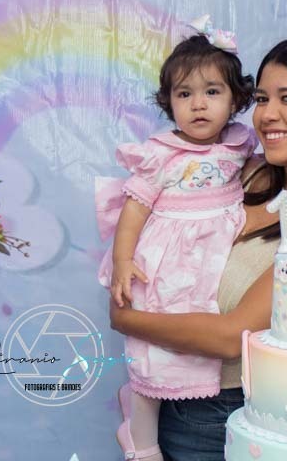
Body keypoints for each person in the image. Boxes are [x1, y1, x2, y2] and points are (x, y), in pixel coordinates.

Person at [109, 35, 287, 461]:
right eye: (262, 98)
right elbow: (150, 224)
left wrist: (127, 319)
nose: (268, 115)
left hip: (239, 412)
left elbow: (232, 337)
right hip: (175, 405)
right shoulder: (236, 174)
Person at [96, 32, 255, 461]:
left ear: (236, 100)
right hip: (167, 264)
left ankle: (149, 421)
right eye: (185, 94)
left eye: (212, 92)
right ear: (169, 102)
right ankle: (142, 441)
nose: (198, 104)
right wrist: (123, 260)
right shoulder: (162, 155)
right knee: (152, 354)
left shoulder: (239, 146)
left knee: (195, 343)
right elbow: (134, 210)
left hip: (210, 263)